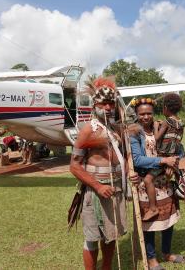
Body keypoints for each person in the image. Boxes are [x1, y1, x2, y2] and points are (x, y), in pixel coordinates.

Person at [69, 77, 131, 270]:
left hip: (115, 189)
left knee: (110, 235)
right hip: (96, 192)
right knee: (92, 238)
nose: (108, 107)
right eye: (103, 103)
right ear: (94, 104)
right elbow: (74, 165)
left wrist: (129, 175)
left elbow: (124, 158)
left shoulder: (116, 129)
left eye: (111, 103)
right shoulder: (88, 130)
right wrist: (98, 186)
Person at [129, 99, 185, 269]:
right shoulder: (134, 133)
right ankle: (152, 259)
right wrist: (163, 161)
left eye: (148, 113)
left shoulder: (162, 126)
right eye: (142, 114)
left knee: (168, 221)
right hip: (146, 185)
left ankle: (167, 253)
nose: (146, 117)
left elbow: (179, 147)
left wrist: (174, 162)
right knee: (150, 224)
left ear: (153, 113)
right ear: (137, 115)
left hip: (164, 182)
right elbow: (138, 160)